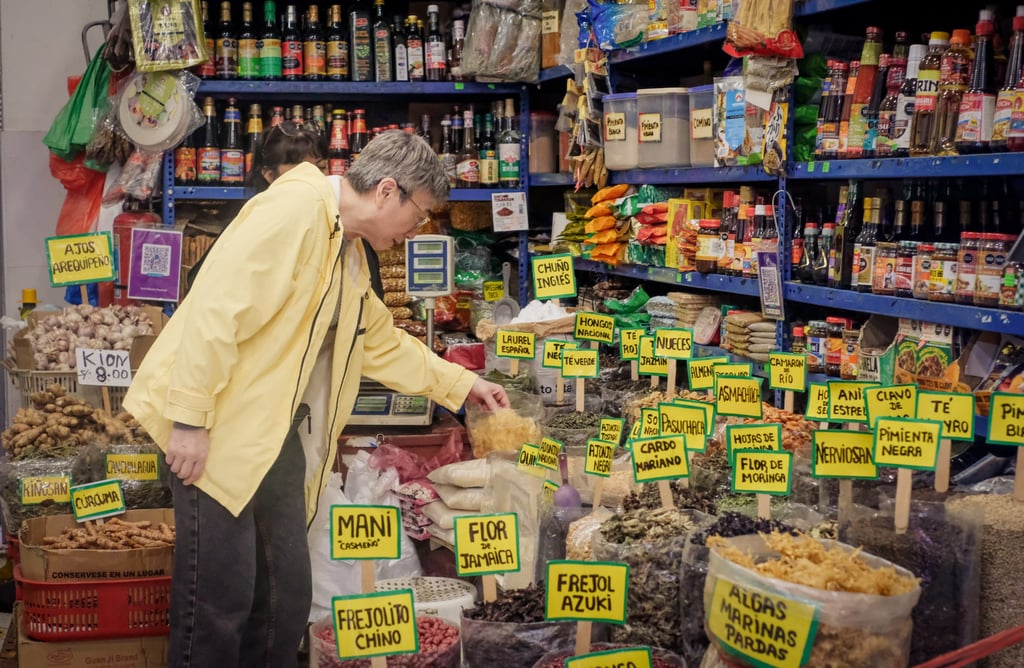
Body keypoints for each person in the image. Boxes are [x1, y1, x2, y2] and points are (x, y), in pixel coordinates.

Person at [124, 123, 509, 668]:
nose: (414, 229)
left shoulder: (345, 248)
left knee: (284, 595)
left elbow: (376, 340)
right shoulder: (293, 211)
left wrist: (462, 383)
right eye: (418, 214)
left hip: (272, 434)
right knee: (219, 602)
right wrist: (188, 420)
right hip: (213, 431)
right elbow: (215, 312)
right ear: (386, 191)